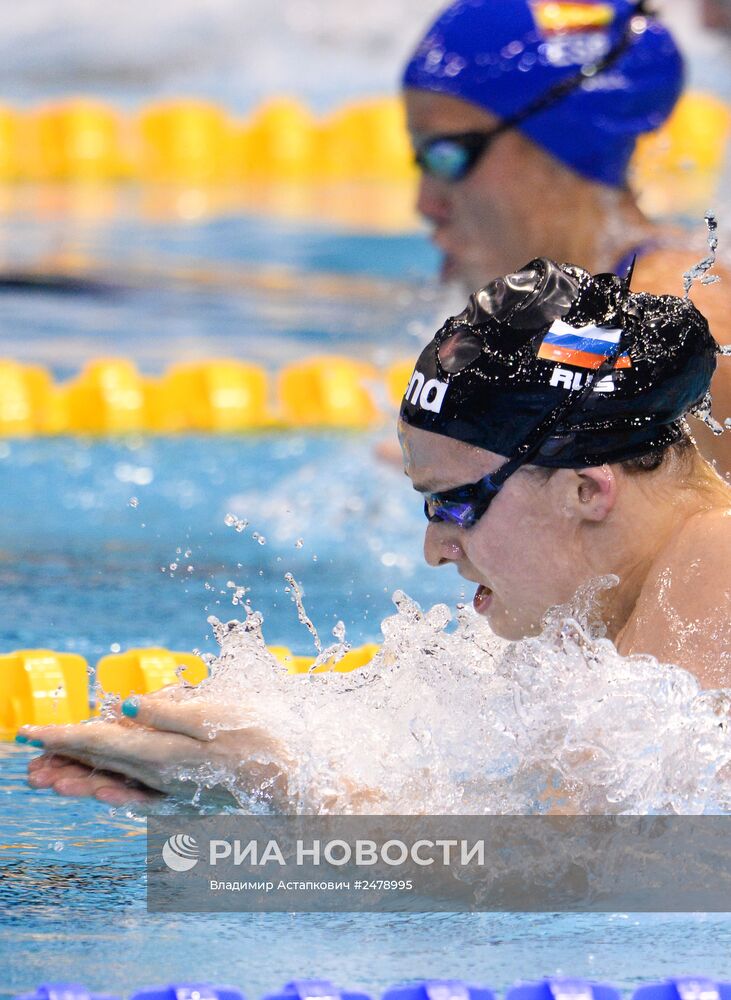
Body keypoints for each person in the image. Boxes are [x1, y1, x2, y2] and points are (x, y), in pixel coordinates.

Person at [19, 258, 731, 808]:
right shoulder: (608, 612)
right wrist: (226, 792)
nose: (433, 549)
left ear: (585, 490)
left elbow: (599, 880)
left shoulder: (716, 556)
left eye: (453, 503)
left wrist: (286, 784)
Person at [402, 0, 731, 473]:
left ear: (559, 142)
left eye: (448, 155)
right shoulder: (545, 305)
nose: (425, 204)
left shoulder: (685, 334)